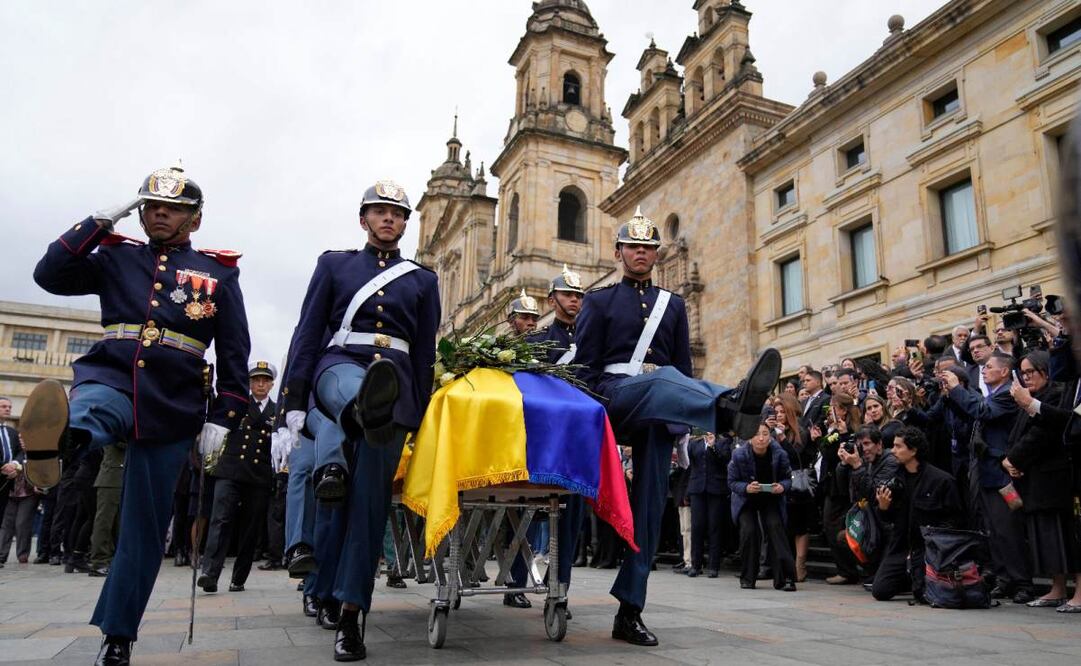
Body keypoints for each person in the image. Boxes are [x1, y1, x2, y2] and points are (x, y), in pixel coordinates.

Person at [21, 164, 250, 666]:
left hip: (174, 399)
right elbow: (48, 275)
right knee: (94, 406)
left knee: (145, 530)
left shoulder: (218, 273)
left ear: (194, 218)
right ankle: (64, 441)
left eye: (172, 208)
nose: (159, 213)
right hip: (115, 371)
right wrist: (97, 223)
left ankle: (118, 635)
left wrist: (222, 418)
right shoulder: (114, 256)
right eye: (150, 206)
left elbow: (235, 356)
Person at [575, 206, 779, 646]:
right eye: (634, 246)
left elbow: (683, 369)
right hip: (616, 397)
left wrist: (680, 427)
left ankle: (629, 610)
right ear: (618, 252)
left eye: (649, 248)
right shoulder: (599, 301)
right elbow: (586, 370)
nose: (642, 253)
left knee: (648, 513)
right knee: (663, 378)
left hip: (660, 411)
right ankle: (728, 405)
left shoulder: (673, 305)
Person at [276, 180, 439, 661]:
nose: (388, 218)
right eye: (379, 211)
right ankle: (362, 406)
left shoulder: (423, 280)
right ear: (363, 218)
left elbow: (426, 352)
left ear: (406, 223)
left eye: (397, 213)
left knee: (365, 510)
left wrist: (424, 411)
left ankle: (350, 613)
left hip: (397, 392)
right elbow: (307, 334)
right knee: (352, 385)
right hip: (338, 367)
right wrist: (294, 400)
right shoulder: (334, 264)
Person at [505, 265, 586, 609]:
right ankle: (516, 581)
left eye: (579, 296)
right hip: (541, 440)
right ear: (552, 300)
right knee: (523, 510)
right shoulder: (536, 344)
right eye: (568, 295)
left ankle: (560, 588)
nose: (574, 301)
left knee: (571, 518)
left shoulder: (590, 342)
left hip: (579, 439)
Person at [942, 352, 1034, 603]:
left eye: (989, 366)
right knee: (993, 531)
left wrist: (957, 389)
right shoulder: (992, 396)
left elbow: (983, 411)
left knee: (1008, 531)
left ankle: (1022, 582)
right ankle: (1004, 579)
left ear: (1004, 371)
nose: (983, 370)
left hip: (1002, 474)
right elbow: (972, 413)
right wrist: (950, 396)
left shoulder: (1008, 395)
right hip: (984, 473)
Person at [1003, 351, 1081, 611]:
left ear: (1045, 371)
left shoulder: (1056, 393)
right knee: (1045, 539)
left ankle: (1076, 593)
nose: (1026, 378)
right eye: (1022, 374)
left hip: (1056, 478)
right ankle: (1056, 588)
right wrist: (1009, 459)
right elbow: (1018, 433)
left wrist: (1014, 459)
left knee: (1064, 537)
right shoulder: (1030, 397)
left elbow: (1046, 431)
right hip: (1033, 478)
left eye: (1030, 373)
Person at [198, 361, 278, 593]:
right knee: (220, 520)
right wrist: (208, 392)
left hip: (258, 475)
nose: (260, 384)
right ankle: (209, 573)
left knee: (250, 528)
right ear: (249, 382)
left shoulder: (276, 411)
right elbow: (215, 414)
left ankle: (239, 578)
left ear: (272, 384)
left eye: (265, 380)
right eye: (255, 380)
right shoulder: (237, 404)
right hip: (231, 470)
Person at [871, 426, 963, 601]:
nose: (893, 451)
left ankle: (918, 578)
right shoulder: (895, 479)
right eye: (893, 446)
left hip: (928, 548)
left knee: (922, 595)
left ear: (913, 450)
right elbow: (888, 518)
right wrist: (883, 507)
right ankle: (910, 577)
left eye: (899, 446)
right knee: (880, 591)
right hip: (901, 546)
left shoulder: (941, 480)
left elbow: (954, 520)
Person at [728, 421, 796, 591]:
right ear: (750, 437)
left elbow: (788, 478)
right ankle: (748, 578)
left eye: (765, 433)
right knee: (749, 532)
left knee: (776, 529)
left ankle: (786, 578)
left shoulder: (779, 454)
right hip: (746, 499)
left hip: (771, 498)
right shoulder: (739, 454)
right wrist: (746, 488)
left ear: (770, 435)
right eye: (757, 434)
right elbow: (732, 482)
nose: (761, 438)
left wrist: (782, 486)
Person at [774, 393, 814, 581]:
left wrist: (781, 437)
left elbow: (796, 456)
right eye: (777, 411)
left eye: (783, 411)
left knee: (800, 527)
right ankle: (786, 564)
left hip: (799, 484)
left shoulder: (801, 431)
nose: (779, 415)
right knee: (786, 526)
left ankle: (800, 565)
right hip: (781, 484)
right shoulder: (775, 432)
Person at [686, 432, 726, 578]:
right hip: (697, 488)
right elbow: (689, 466)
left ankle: (714, 566)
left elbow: (724, 461)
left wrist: (712, 446)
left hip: (716, 489)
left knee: (714, 527)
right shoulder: (694, 442)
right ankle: (696, 564)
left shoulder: (723, 441)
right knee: (697, 526)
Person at [87, 443, 126, 576]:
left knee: (117, 523)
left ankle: (111, 559)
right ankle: (99, 561)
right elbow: (122, 442)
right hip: (111, 478)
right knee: (104, 522)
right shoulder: (117, 425)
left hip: (118, 477)